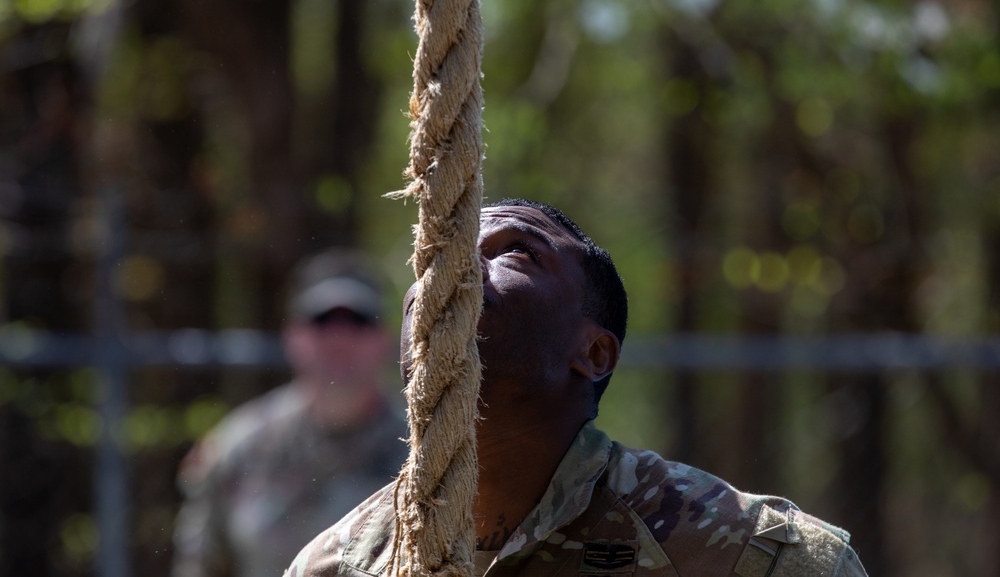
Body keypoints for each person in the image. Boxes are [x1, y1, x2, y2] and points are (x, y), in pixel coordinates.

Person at [284, 199, 869, 577]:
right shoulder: (338, 565)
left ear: (593, 352)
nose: (452, 270)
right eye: (430, 257)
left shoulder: (755, 558)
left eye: (514, 252)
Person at [171, 248, 409, 577]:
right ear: (292, 336)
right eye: (322, 320)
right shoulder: (238, 448)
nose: (339, 338)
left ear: (386, 339)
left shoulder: (421, 449)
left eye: (358, 321)